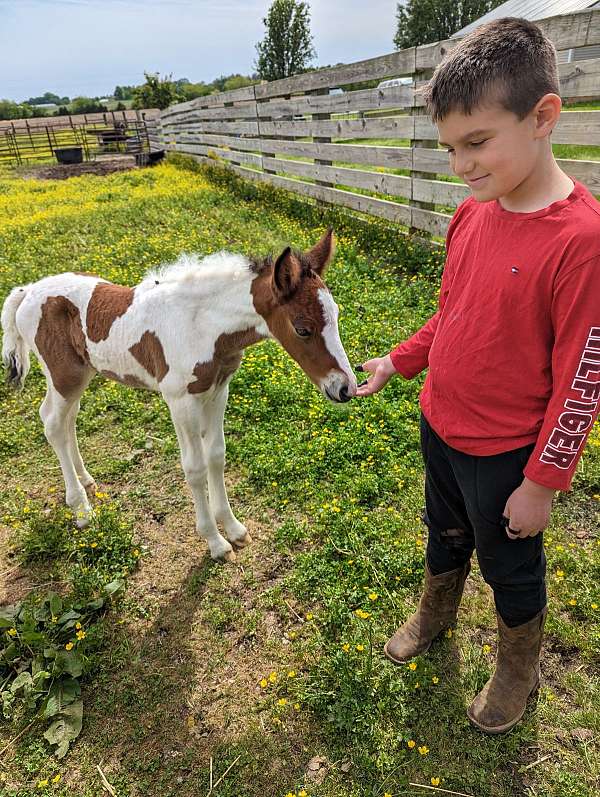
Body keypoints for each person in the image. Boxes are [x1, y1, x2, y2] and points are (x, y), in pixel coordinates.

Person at [356, 17, 600, 734]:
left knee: (510, 564)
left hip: (506, 457)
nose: (461, 165)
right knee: (445, 532)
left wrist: (542, 483)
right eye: (450, 148)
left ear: (543, 116)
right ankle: (435, 612)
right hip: (441, 423)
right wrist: (401, 360)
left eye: (477, 143)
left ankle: (516, 665)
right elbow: (452, 314)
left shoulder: (581, 241)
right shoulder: (472, 214)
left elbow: (582, 380)